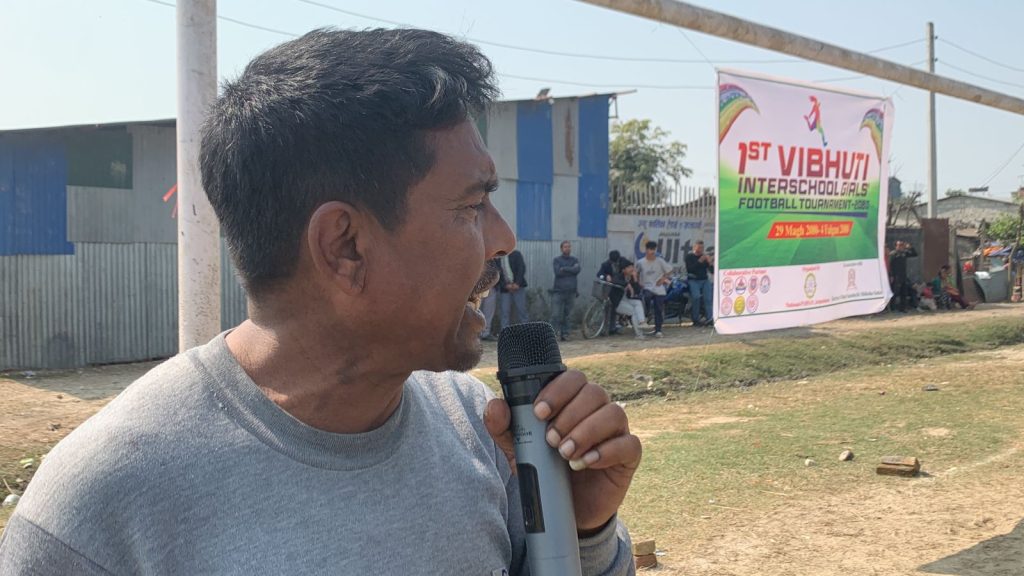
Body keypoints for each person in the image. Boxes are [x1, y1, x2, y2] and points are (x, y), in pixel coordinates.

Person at [0, 28, 641, 575]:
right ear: (346, 247)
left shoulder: (481, 426)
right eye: (473, 205)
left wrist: (584, 532)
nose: (503, 239)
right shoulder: (97, 509)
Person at [636, 240, 673, 338]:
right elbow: (636, 273)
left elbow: (669, 270)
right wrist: (639, 283)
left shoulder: (660, 261)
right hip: (647, 287)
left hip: (658, 288)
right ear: (646, 250)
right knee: (647, 297)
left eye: (653, 249)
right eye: (650, 249)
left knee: (659, 308)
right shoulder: (641, 262)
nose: (652, 252)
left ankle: (658, 329)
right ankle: (647, 313)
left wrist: (663, 279)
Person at [551, 240, 581, 341]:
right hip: (558, 291)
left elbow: (577, 270)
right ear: (561, 249)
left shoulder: (575, 259)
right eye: (565, 247)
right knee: (555, 314)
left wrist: (564, 268)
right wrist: (571, 269)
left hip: (571, 291)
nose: (567, 248)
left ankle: (565, 334)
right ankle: (553, 334)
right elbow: (557, 272)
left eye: (569, 247)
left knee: (567, 315)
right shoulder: (557, 260)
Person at [684, 240, 714, 326]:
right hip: (693, 280)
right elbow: (690, 269)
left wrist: (710, 263)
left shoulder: (704, 257)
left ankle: (709, 318)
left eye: (702, 248)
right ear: (694, 247)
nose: (701, 249)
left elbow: (712, 271)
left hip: (704, 280)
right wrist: (699, 261)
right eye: (699, 247)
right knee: (696, 297)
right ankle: (695, 319)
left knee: (708, 299)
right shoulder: (689, 257)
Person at [616, 260, 647, 339]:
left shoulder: (631, 277)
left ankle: (642, 322)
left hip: (626, 300)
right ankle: (639, 334)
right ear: (623, 269)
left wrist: (635, 279)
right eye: (629, 267)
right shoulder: (619, 276)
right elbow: (615, 281)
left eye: (632, 267)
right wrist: (627, 284)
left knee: (638, 302)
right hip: (617, 302)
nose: (632, 269)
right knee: (633, 312)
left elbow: (637, 291)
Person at [597, 250, 626, 335]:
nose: (614, 263)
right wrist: (605, 276)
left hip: (618, 289)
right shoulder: (605, 264)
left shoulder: (623, 263)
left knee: (614, 309)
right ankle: (604, 328)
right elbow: (599, 274)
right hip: (608, 289)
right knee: (606, 309)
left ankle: (612, 327)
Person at [499, 249, 530, 328]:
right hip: (505, 289)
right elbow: (497, 272)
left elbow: (521, 268)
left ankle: (526, 331)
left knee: (522, 310)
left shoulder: (516, 254)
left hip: (518, 287)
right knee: (504, 312)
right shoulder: (498, 256)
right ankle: (505, 332)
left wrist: (517, 283)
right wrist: (505, 285)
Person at [888, 240, 918, 312]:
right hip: (896, 276)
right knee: (895, 292)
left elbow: (914, 254)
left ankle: (903, 308)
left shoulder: (904, 253)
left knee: (904, 293)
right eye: (899, 245)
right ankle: (892, 308)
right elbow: (890, 265)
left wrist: (910, 248)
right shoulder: (893, 254)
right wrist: (891, 275)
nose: (901, 246)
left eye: (902, 245)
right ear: (896, 246)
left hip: (903, 276)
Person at [479, 257, 501, 341]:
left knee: (489, 311)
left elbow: (499, 269)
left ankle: (486, 333)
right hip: (477, 285)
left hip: (491, 286)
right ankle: (473, 333)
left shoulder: (495, 255)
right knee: (475, 309)